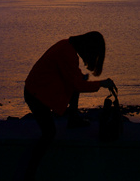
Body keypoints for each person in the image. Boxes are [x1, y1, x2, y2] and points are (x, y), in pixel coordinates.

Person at [20, 31, 117, 180]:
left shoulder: (67, 47)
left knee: (77, 81)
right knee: (49, 133)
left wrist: (83, 79)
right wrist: (102, 83)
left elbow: (73, 78)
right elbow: (77, 85)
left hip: (40, 90)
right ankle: (29, 173)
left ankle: (73, 119)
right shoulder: (67, 52)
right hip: (35, 95)